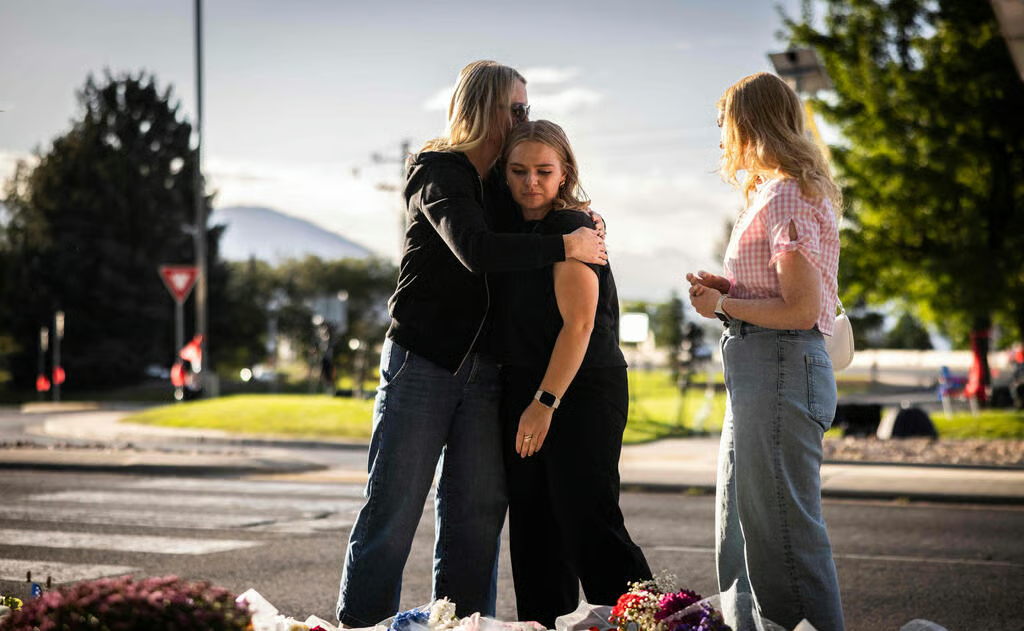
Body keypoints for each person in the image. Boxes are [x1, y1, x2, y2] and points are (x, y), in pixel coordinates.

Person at [335, 61, 608, 628]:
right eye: (517, 109)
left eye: (528, 109)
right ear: (484, 108)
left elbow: (541, 215)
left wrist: (577, 220)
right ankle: (359, 625)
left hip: (488, 372)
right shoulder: (438, 171)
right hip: (422, 363)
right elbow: (476, 249)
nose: (525, 119)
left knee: (476, 518)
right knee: (392, 512)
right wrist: (566, 245)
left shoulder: (503, 183)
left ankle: (463, 626)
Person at [685, 72, 846, 631]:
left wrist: (723, 306)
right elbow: (780, 293)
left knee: (784, 535)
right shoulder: (775, 191)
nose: (722, 138)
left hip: (779, 366)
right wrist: (730, 291)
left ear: (748, 124)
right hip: (762, 369)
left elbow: (801, 308)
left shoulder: (786, 195)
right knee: (740, 529)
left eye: (725, 124)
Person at [493, 120, 652, 628]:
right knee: (536, 534)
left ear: (564, 173)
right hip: (527, 386)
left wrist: (543, 403)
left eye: (544, 171)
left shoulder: (570, 229)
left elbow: (579, 325)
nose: (531, 182)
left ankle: (658, 621)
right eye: (519, 171)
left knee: (590, 525)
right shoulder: (511, 230)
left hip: (578, 390)